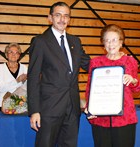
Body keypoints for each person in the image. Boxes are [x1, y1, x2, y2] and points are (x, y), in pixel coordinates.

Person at [27, 1, 90, 147]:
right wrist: (34, 111)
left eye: (66, 16)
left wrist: (116, 60)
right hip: (49, 109)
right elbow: (33, 78)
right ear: (50, 18)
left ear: (69, 19)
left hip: (72, 109)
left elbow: (90, 65)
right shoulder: (40, 42)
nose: (62, 19)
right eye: (58, 15)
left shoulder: (76, 41)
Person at [84, 24, 140, 147]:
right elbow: (89, 89)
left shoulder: (130, 61)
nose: (111, 44)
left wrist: (133, 81)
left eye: (114, 40)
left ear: (121, 42)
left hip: (124, 118)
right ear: (103, 44)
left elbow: (137, 88)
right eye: (107, 40)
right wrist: (89, 107)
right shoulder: (95, 62)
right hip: (100, 119)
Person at [0, 43, 27, 111]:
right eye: (11, 52)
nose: (14, 54)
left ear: (19, 55)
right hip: (2, 106)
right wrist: (17, 81)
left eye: (16, 52)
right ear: (6, 55)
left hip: (20, 106)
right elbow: (0, 88)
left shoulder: (24, 68)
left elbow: (27, 87)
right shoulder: (0, 68)